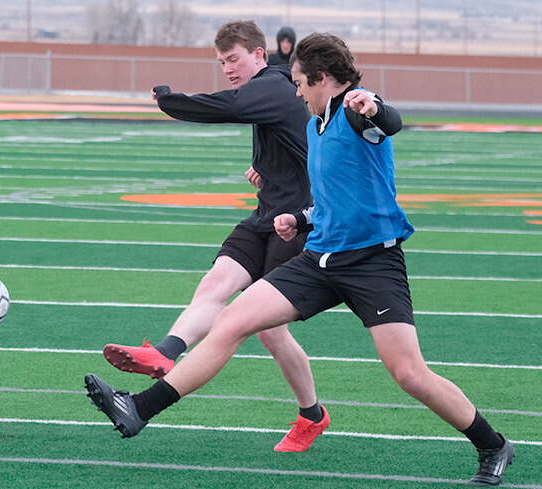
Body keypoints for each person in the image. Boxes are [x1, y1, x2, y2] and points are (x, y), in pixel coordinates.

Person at [85, 32, 514, 487]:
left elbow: (388, 121)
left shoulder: (355, 110)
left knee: (408, 373)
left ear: (323, 79)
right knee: (230, 321)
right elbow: (331, 198)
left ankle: (492, 444)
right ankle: (140, 408)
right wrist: (300, 218)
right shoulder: (315, 127)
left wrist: (374, 108)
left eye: (300, 83)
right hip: (320, 258)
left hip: (373, 263)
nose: (295, 92)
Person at [101, 20, 330, 452]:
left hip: (296, 224)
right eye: (221, 61)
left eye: (234, 58)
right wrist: (270, 172)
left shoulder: (275, 85)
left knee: (267, 330)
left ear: (260, 56)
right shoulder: (269, 92)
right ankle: (165, 352)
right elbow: (295, 146)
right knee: (215, 284)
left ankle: (312, 415)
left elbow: (226, 106)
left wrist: (171, 101)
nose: (226, 68)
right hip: (265, 216)